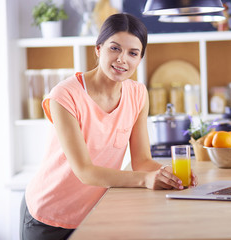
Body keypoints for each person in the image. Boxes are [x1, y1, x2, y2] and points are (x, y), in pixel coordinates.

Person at [20, 13, 197, 240]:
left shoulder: (138, 94)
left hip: (95, 213)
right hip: (48, 216)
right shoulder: (64, 96)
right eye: (115, 48)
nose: (122, 59)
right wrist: (145, 179)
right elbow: (85, 172)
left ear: (140, 59)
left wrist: (168, 175)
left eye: (133, 53)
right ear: (98, 49)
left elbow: (141, 160)